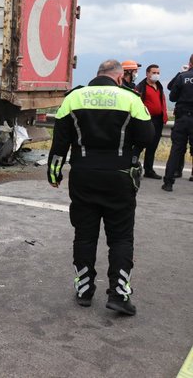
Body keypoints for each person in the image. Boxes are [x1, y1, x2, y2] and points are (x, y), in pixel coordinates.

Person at [47, 59, 153, 316]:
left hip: (83, 175)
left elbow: (60, 141)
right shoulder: (130, 99)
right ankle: (119, 294)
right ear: (119, 78)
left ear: (97, 75)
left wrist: (53, 173)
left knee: (84, 235)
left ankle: (84, 290)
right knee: (121, 237)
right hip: (119, 176)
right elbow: (148, 137)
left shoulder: (74, 98)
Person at [162, 53, 193, 192]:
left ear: (190, 63)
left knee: (176, 150)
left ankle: (168, 182)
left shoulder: (182, 77)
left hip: (182, 118)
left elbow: (173, 97)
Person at [135, 64, 168, 179]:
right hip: (146, 120)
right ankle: (133, 166)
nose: (156, 75)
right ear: (147, 74)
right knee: (141, 144)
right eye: (154, 73)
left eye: (158, 73)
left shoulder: (159, 87)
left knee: (153, 146)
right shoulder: (141, 87)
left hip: (158, 120)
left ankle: (149, 170)